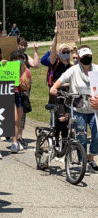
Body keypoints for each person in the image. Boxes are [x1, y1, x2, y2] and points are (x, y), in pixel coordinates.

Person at [51, 45, 98, 173]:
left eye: (88, 57)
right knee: (81, 136)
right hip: (79, 108)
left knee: (97, 135)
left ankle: (90, 157)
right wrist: (55, 87)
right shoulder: (74, 70)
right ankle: (83, 160)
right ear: (80, 58)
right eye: (84, 57)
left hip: (94, 109)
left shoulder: (96, 70)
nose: (86, 59)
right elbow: (61, 80)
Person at [47, 27, 72, 149]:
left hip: (68, 94)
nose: (66, 52)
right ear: (59, 52)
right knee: (60, 118)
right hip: (57, 93)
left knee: (67, 119)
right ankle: (56, 141)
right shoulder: (55, 62)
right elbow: (52, 53)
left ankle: (65, 142)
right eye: (64, 50)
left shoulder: (72, 65)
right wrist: (56, 36)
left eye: (68, 51)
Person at [17, 37, 39, 147]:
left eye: (25, 45)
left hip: (25, 87)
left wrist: (35, 51)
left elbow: (35, 65)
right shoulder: (12, 55)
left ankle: (19, 135)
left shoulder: (25, 57)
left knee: (23, 110)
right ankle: (13, 134)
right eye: (21, 44)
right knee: (13, 110)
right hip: (13, 87)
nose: (23, 47)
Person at [9, 50, 32, 153]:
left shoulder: (26, 71)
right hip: (10, 94)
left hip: (20, 95)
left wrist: (22, 83)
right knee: (14, 119)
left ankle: (16, 140)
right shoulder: (7, 68)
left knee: (18, 121)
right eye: (16, 58)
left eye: (20, 58)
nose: (18, 60)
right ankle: (14, 142)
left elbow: (28, 87)